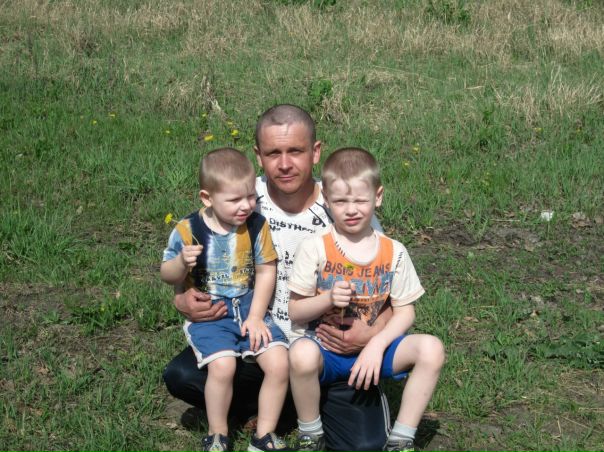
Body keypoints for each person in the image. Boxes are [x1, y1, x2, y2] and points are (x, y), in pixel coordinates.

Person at [163, 105, 392, 452]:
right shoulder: (242, 199)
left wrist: (371, 334)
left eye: (295, 151)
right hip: (258, 343)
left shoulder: (345, 206)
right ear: (258, 156)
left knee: (364, 445)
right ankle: (276, 410)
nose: (285, 164)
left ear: (315, 152)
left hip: (326, 352)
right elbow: (199, 254)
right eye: (273, 153)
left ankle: (286, 408)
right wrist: (182, 298)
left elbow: (390, 297)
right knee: (182, 376)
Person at [288, 148, 445, 452]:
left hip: (374, 352)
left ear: (378, 196)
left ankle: (402, 439)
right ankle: (311, 434)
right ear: (326, 200)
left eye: (360, 200)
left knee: (432, 348)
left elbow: (405, 312)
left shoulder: (393, 251)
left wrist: (377, 344)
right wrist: (327, 299)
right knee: (301, 354)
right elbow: (295, 310)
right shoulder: (315, 247)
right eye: (340, 201)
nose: (351, 210)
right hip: (326, 351)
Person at [160, 148, 291, 452]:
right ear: (207, 198)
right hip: (213, 313)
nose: (246, 206)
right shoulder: (188, 230)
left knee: (279, 362)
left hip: (248, 307)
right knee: (222, 367)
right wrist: (181, 263)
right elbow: (167, 274)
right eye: (234, 200)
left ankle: (264, 435)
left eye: (251, 196)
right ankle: (218, 433)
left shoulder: (256, 226)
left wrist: (256, 315)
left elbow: (266, 270)